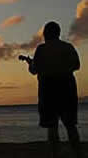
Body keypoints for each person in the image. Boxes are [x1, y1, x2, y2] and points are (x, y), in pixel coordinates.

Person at [28, 21, 81, 158]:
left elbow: (34, 70)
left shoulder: (41, 49)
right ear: (58, 33)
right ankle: (79, 154)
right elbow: (76, 65)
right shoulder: (68, 47)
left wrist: (31, 64)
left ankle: (55, 155)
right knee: (71, 126)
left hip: (48, 93)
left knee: (52, 128)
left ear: (46, 34)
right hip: (67, 91)